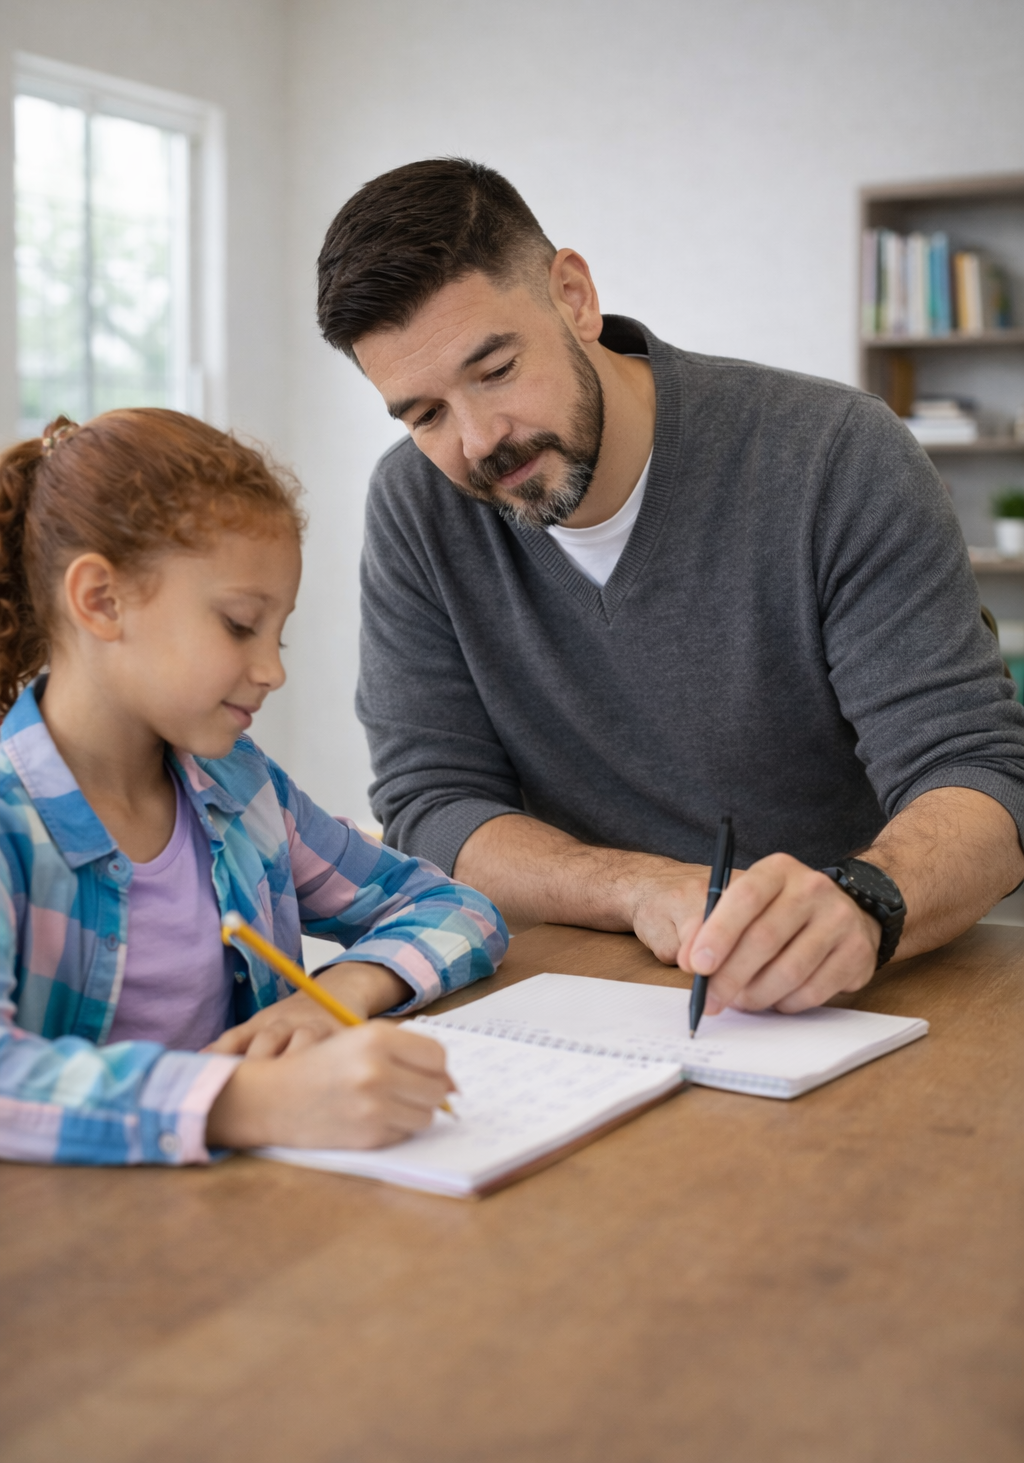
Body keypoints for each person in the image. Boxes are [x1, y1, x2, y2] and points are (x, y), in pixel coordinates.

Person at [316, 157, 1024, 1018]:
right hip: (588, 995)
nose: (478, 441)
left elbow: (979, 772)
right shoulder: (417, 504)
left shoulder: (835, 454)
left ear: (574, 297)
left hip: (867, 988)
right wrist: (640, 889)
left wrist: (863, 903)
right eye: (425, 415)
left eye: (495, 370)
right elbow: (432, 804)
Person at [0, 409, 507, 1166]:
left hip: (253, 1203)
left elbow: (454, 907)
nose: (273, 671)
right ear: (101, 600)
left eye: (280, 633)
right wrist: (254, 1101)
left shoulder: (243, 789)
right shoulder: (13, 823)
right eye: (240, 625)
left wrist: (340, 996)